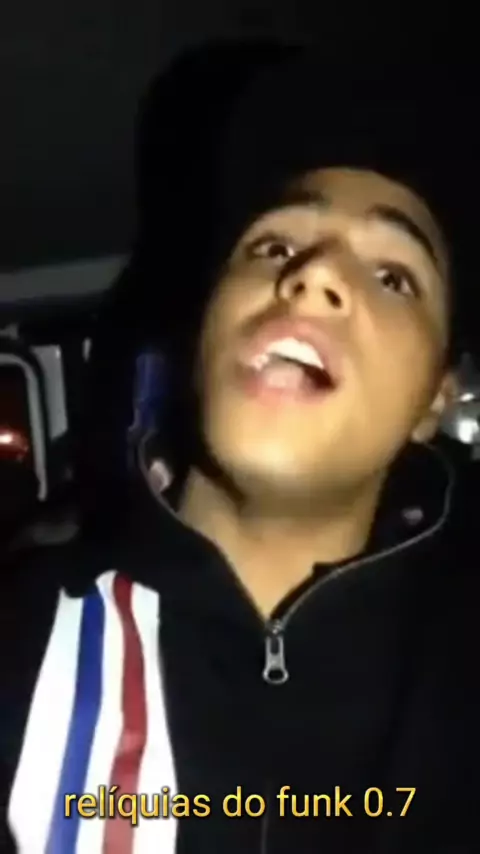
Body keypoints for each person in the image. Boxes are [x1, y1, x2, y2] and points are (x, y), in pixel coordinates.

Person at [1, 49, 478, 854]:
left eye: (394, 277)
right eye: (272, 247)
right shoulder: (19, 634)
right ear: (203, 336)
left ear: (435, 396)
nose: (314, 277)